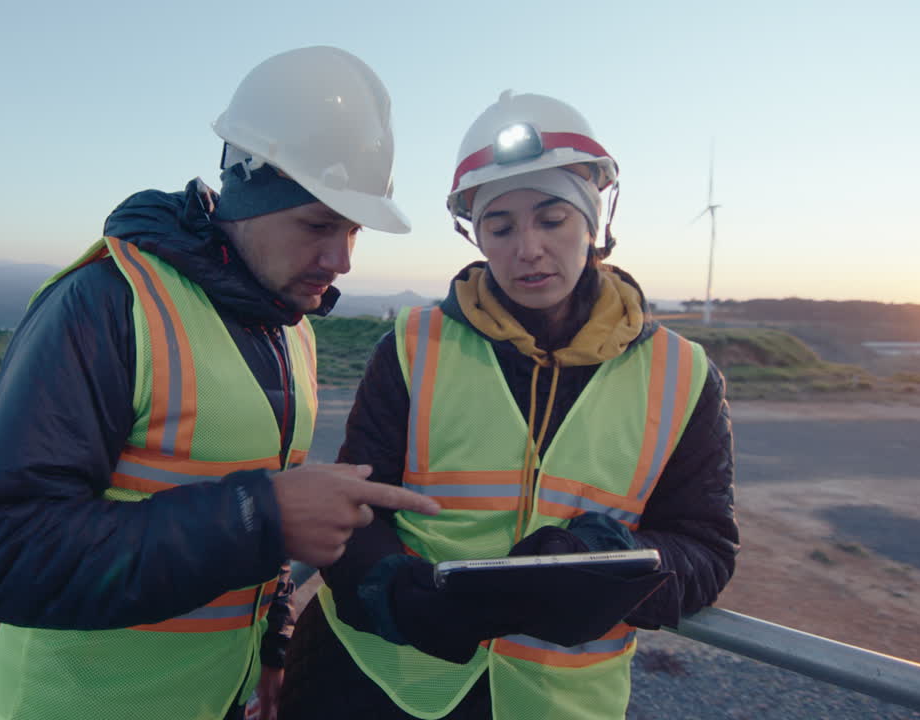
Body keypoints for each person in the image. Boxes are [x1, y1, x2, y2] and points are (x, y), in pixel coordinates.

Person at [0, 46, 441, 720]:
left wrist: (272, 639)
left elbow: (258, 530)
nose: (341, 259)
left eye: (352, 230)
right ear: (249, 194)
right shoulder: (108, 303)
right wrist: (261, 516)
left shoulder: (290, 330)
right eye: (319, 224)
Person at [277, 91, 740, 719]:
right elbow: (356, 506)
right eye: (501, 227)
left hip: (555, 703)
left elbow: (706, 551)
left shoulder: (684, 375)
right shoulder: (412, 346)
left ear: (594, 221)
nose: (527, 248)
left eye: (552, 219)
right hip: (374, 680)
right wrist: (393, 592)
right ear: (476, 235)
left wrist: (605, 565)